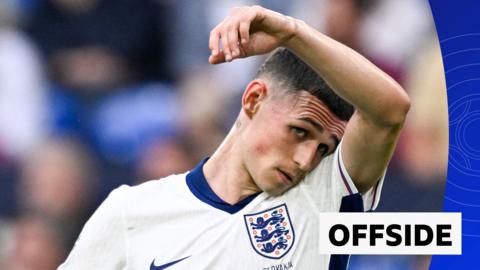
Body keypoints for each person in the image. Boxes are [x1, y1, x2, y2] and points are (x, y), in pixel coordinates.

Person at [58, 5, 410, 270]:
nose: (307, 160)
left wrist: (293, 33)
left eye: (323, 148)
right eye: (300, 131)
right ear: (253, 99)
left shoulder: (322, 195)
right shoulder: (131, 212)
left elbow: (390, 111)